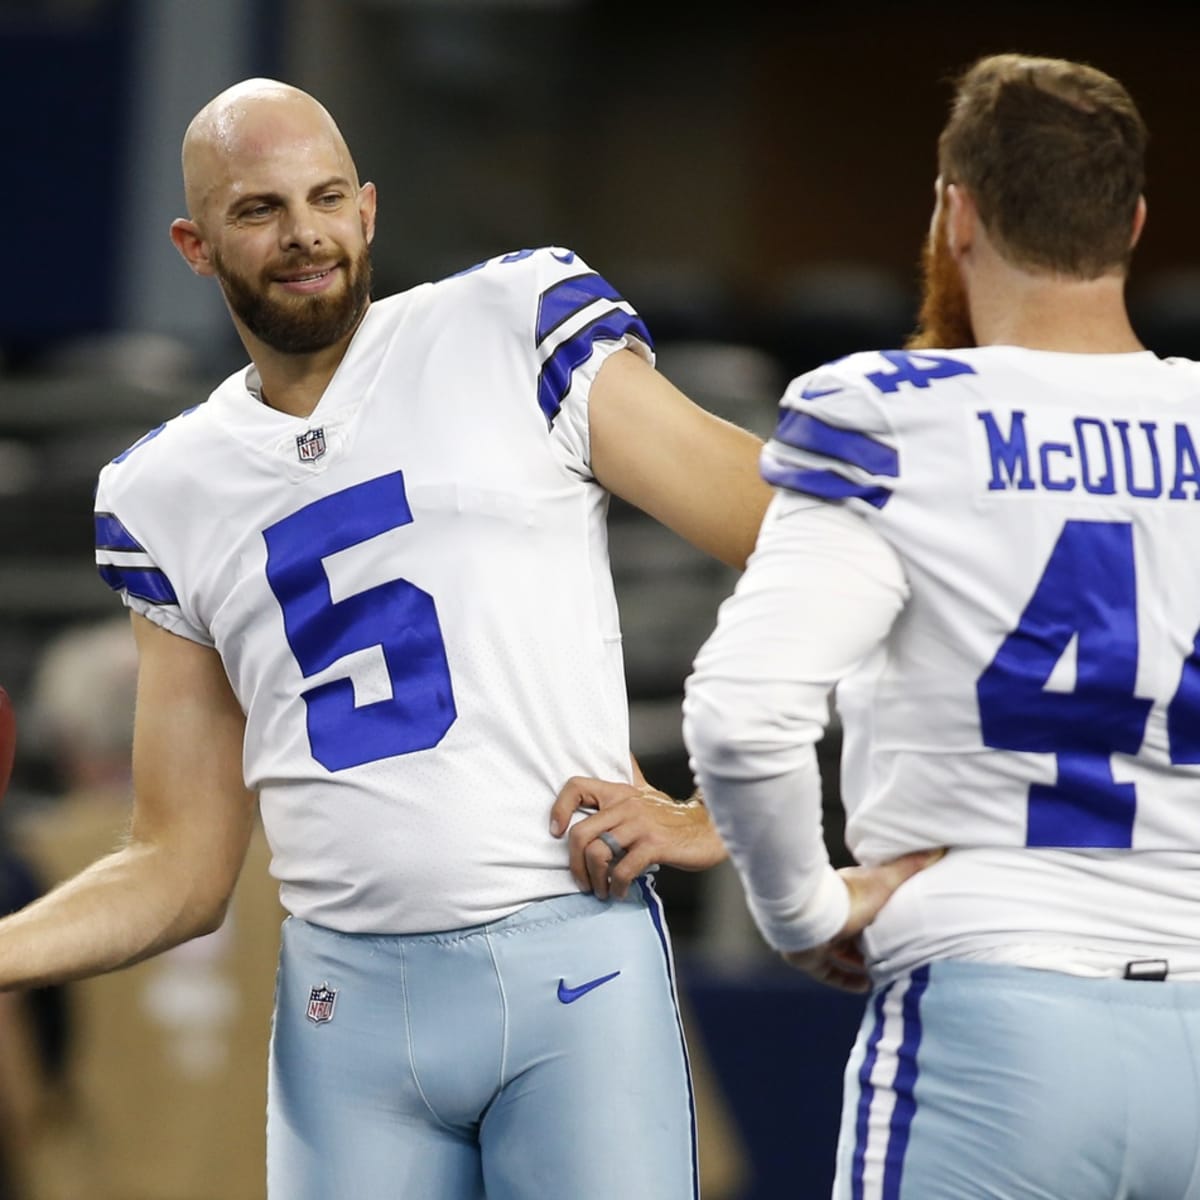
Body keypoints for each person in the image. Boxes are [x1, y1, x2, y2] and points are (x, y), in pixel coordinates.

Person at [0, 79, 770, 1199]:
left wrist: (728, 808)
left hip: (568, 959)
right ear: (194, 244)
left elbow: (791, 537)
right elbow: (178, 867)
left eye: (324, 198)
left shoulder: (511, 322)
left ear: (368, 209)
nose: (304, 233)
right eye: (259, 208)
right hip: (341, 1013)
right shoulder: (166, 488)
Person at [683, 52, 1200, 1200]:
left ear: (955, 212)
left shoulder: (889, 417)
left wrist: (801, 911)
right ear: (1134, 222)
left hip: (997, 1013)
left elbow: (739, 715)